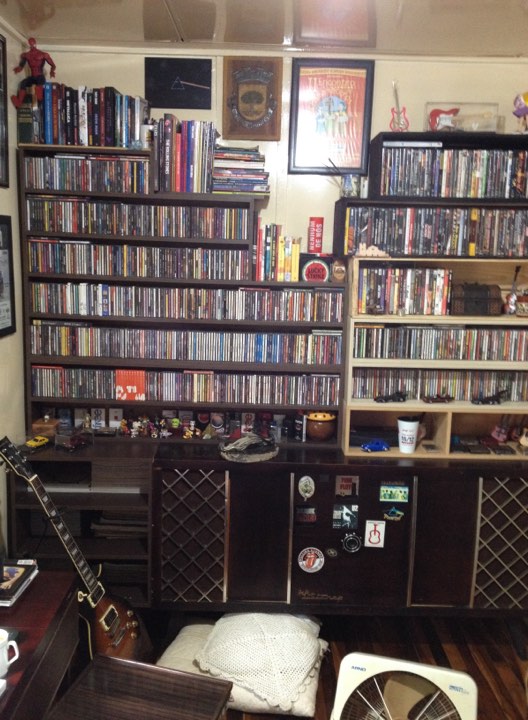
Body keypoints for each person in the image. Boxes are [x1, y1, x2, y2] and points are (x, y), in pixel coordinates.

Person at [11, 37, 56, 107]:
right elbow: (21, 65)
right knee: (23, 83)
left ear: (35, 44)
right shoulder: (26, 55)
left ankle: (40, 105)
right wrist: (19, 68)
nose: (32, 45)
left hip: (40, 76)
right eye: (30, 44)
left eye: (33, 44)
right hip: (32, 76)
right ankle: (19, 102)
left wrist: (52, 71)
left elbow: (53, 65)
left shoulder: (43, 54)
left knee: (39, 89)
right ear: (29, 45)